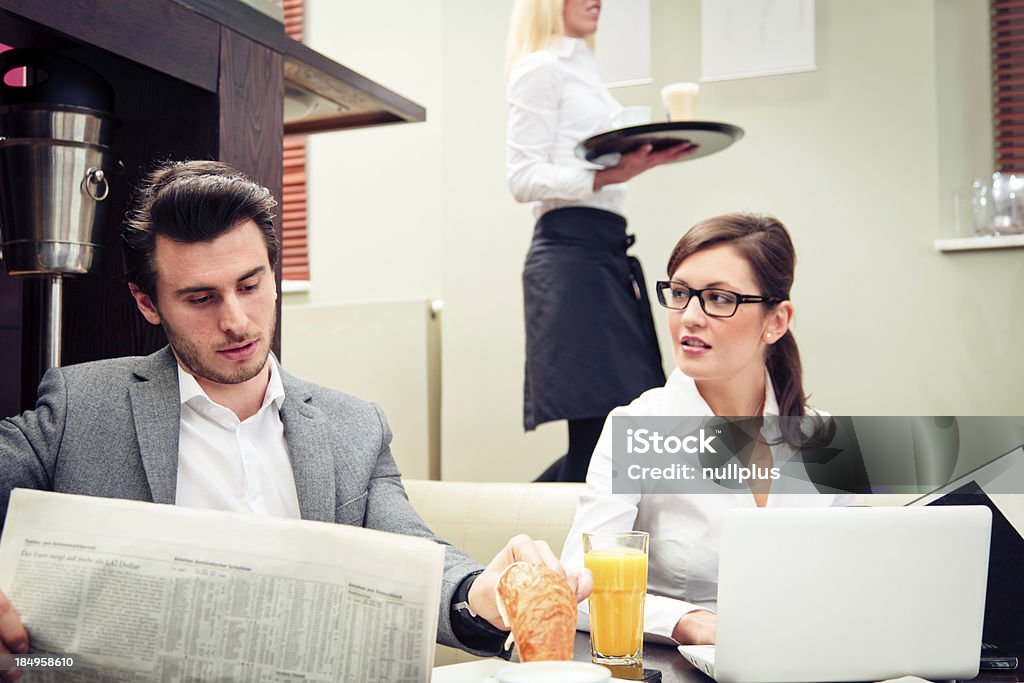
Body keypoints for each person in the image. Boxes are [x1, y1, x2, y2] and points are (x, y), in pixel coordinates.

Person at [0, 160, 590, 673]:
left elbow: (416, 561)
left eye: (251, 285)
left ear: (274, 277)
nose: (237, 321)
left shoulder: (352, 428)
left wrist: (479, 593)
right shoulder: (82, 406)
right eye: (201, 298)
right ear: (147, 302)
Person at [560, 213, 853, 646]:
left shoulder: (823, 437)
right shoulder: (635, 428)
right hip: (680, 666)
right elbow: (579, 588)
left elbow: (850, 581)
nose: (690, 317)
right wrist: (687, 621)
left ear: (776, 320)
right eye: (680, 293)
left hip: (804, 658)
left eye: (719, 299)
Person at [505, 0, 695, 482]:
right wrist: (611, 174)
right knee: (603, 432)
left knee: (627, 430)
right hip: (570, 257)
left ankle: (516, 536)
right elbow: (522, 177)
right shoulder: (541, 68)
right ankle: (512, 541)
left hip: (604, 253)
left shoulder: (584, 70)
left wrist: (638, 164)